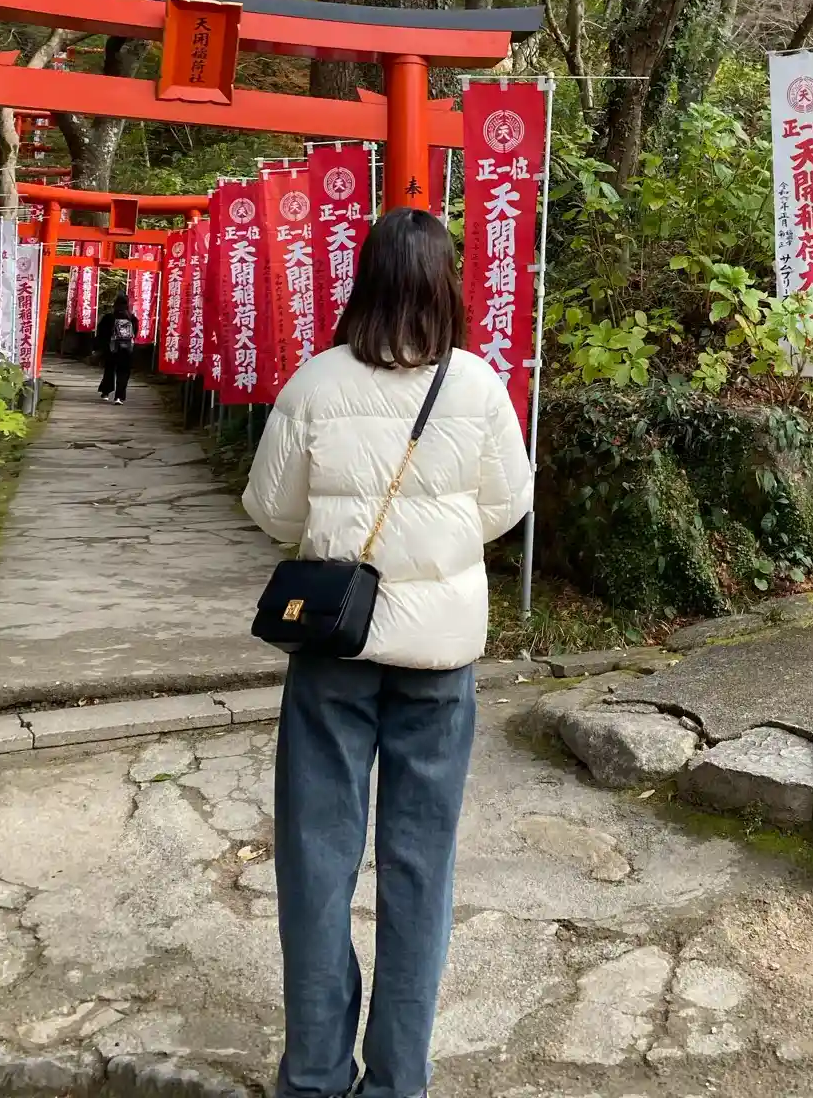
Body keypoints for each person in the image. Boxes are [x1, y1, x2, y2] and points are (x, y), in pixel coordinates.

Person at [243, 207, 532, 1098]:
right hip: (439, 657)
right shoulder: (477, 385)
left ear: (363, 280)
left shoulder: (316, 383)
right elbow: (508, 503)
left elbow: (271, 510)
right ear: (446, 285)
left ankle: (314, 1075)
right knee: (420, 865)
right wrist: (437, 547)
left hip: (336, 645)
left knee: (316, 860)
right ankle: (399, 1080)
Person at [95, 290, 138, 403]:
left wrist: (99, 348)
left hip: (112, 349)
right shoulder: (132, 318)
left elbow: (101, 334)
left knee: (109, 370)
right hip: (127, 350)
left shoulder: (109, 317)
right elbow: (135, 334)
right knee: (123, 372)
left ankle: (106, 392)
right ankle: (119, 397)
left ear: (115, 304)